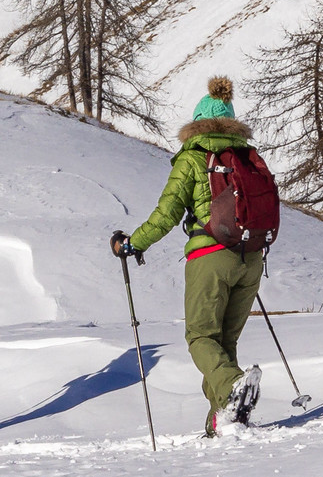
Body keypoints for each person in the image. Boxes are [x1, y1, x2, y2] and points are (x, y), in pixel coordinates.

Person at [112, 75, 265, 437]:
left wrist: (134, 243)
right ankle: (222, 421)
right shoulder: (246, 156)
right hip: (252, 257)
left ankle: (232, 388)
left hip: (211, 256)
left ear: (196, 124)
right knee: (224, 343)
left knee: (199, 337)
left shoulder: (194, 158)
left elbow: (166, 214)